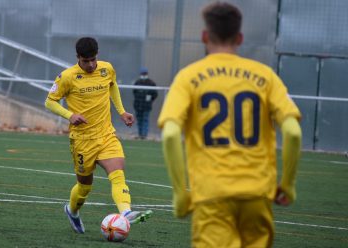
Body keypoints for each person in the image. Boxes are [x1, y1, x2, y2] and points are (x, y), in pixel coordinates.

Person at [158, 2, 302, 248]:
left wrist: (181, 194)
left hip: (212, 194)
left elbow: (171, 135)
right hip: (257, 193)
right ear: (240, 37)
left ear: (205, 36)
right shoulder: (265, 75)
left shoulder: (188, 77)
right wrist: (287, 184)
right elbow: (293, 132)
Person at [45, 37, 152, 234]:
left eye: (93, 59)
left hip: (106, 134)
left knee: (117, 172)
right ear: (78, 58)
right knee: (84, 188)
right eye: (86, 61)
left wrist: (121, 111)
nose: (91, 65)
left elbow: (112, 86)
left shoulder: (106, 69)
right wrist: (70, 115)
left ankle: (126, 212)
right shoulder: (67, 77)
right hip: (82, 140)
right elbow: (50, 102)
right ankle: (72, 210)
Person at [133, 67, 158, 139]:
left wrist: (150, 100)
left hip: (147, 106)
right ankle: (140, 134)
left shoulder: (151, 83)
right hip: (138, 105)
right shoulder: (137, 82)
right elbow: (134, 92)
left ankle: (144, 135)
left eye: (145, 74)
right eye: (142, 74)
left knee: (145, 120)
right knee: (139, 120)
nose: (143, 75)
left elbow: (155, 94)